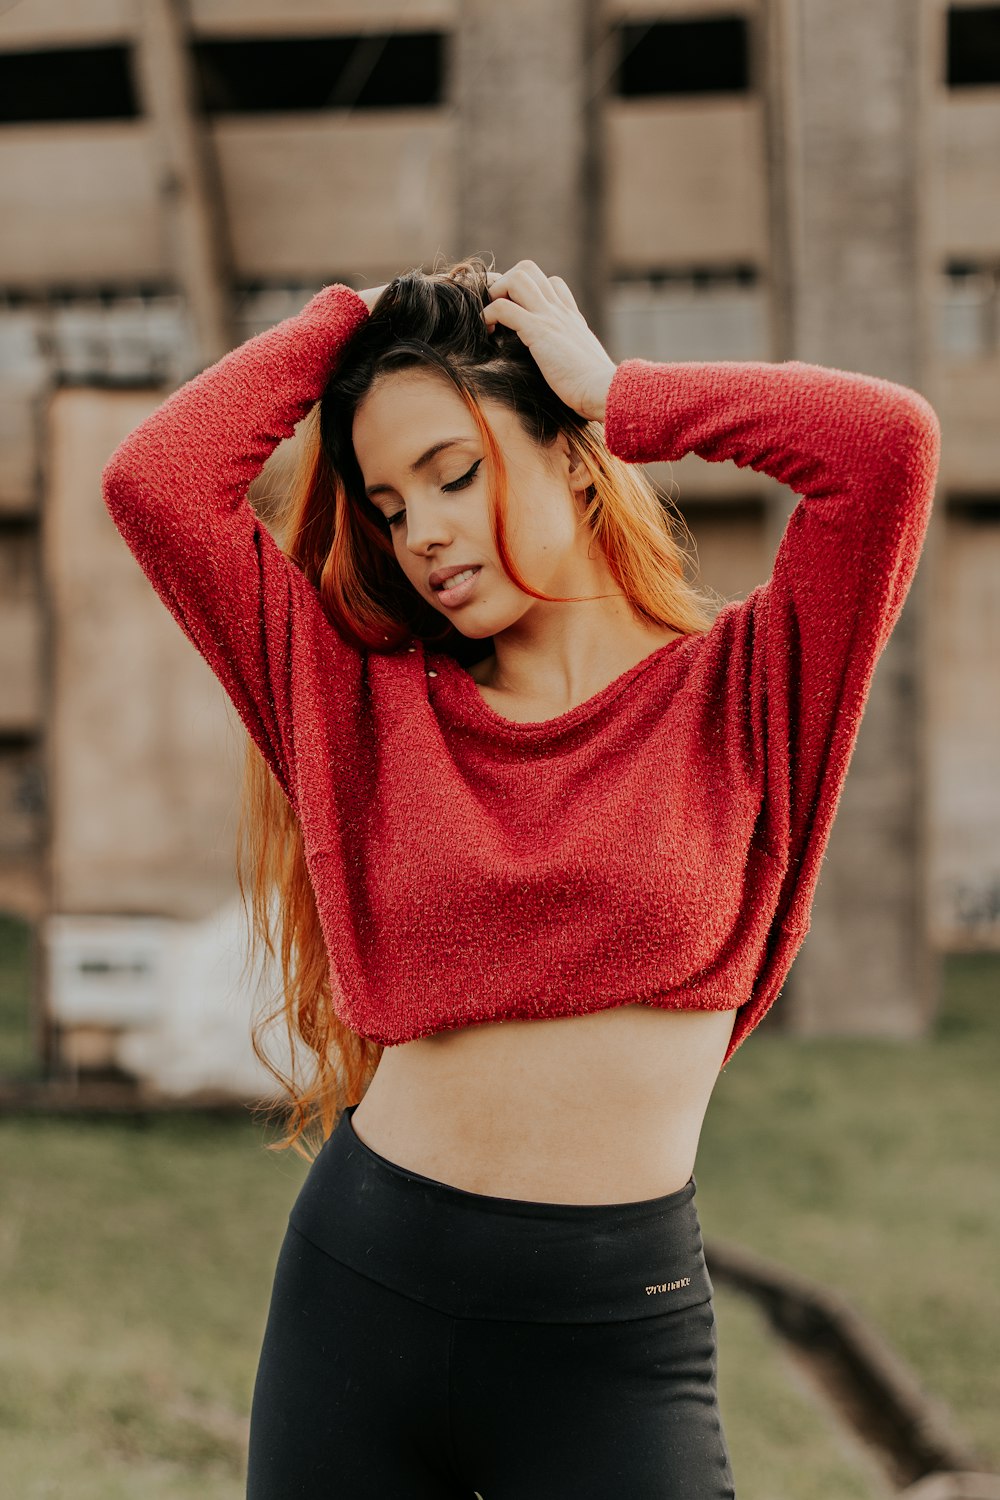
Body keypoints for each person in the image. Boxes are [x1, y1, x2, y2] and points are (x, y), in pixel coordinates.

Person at [101, 256, 941, 1498]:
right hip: (360, 1298)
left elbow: (884, 447)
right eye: (389, 506)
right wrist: (353, 316)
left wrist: (621, 392)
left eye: (452, 472)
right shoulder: (360, 709)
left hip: (611, 1339)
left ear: (570, 452)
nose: (423, 530)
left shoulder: (747, 689)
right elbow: (157, 483)